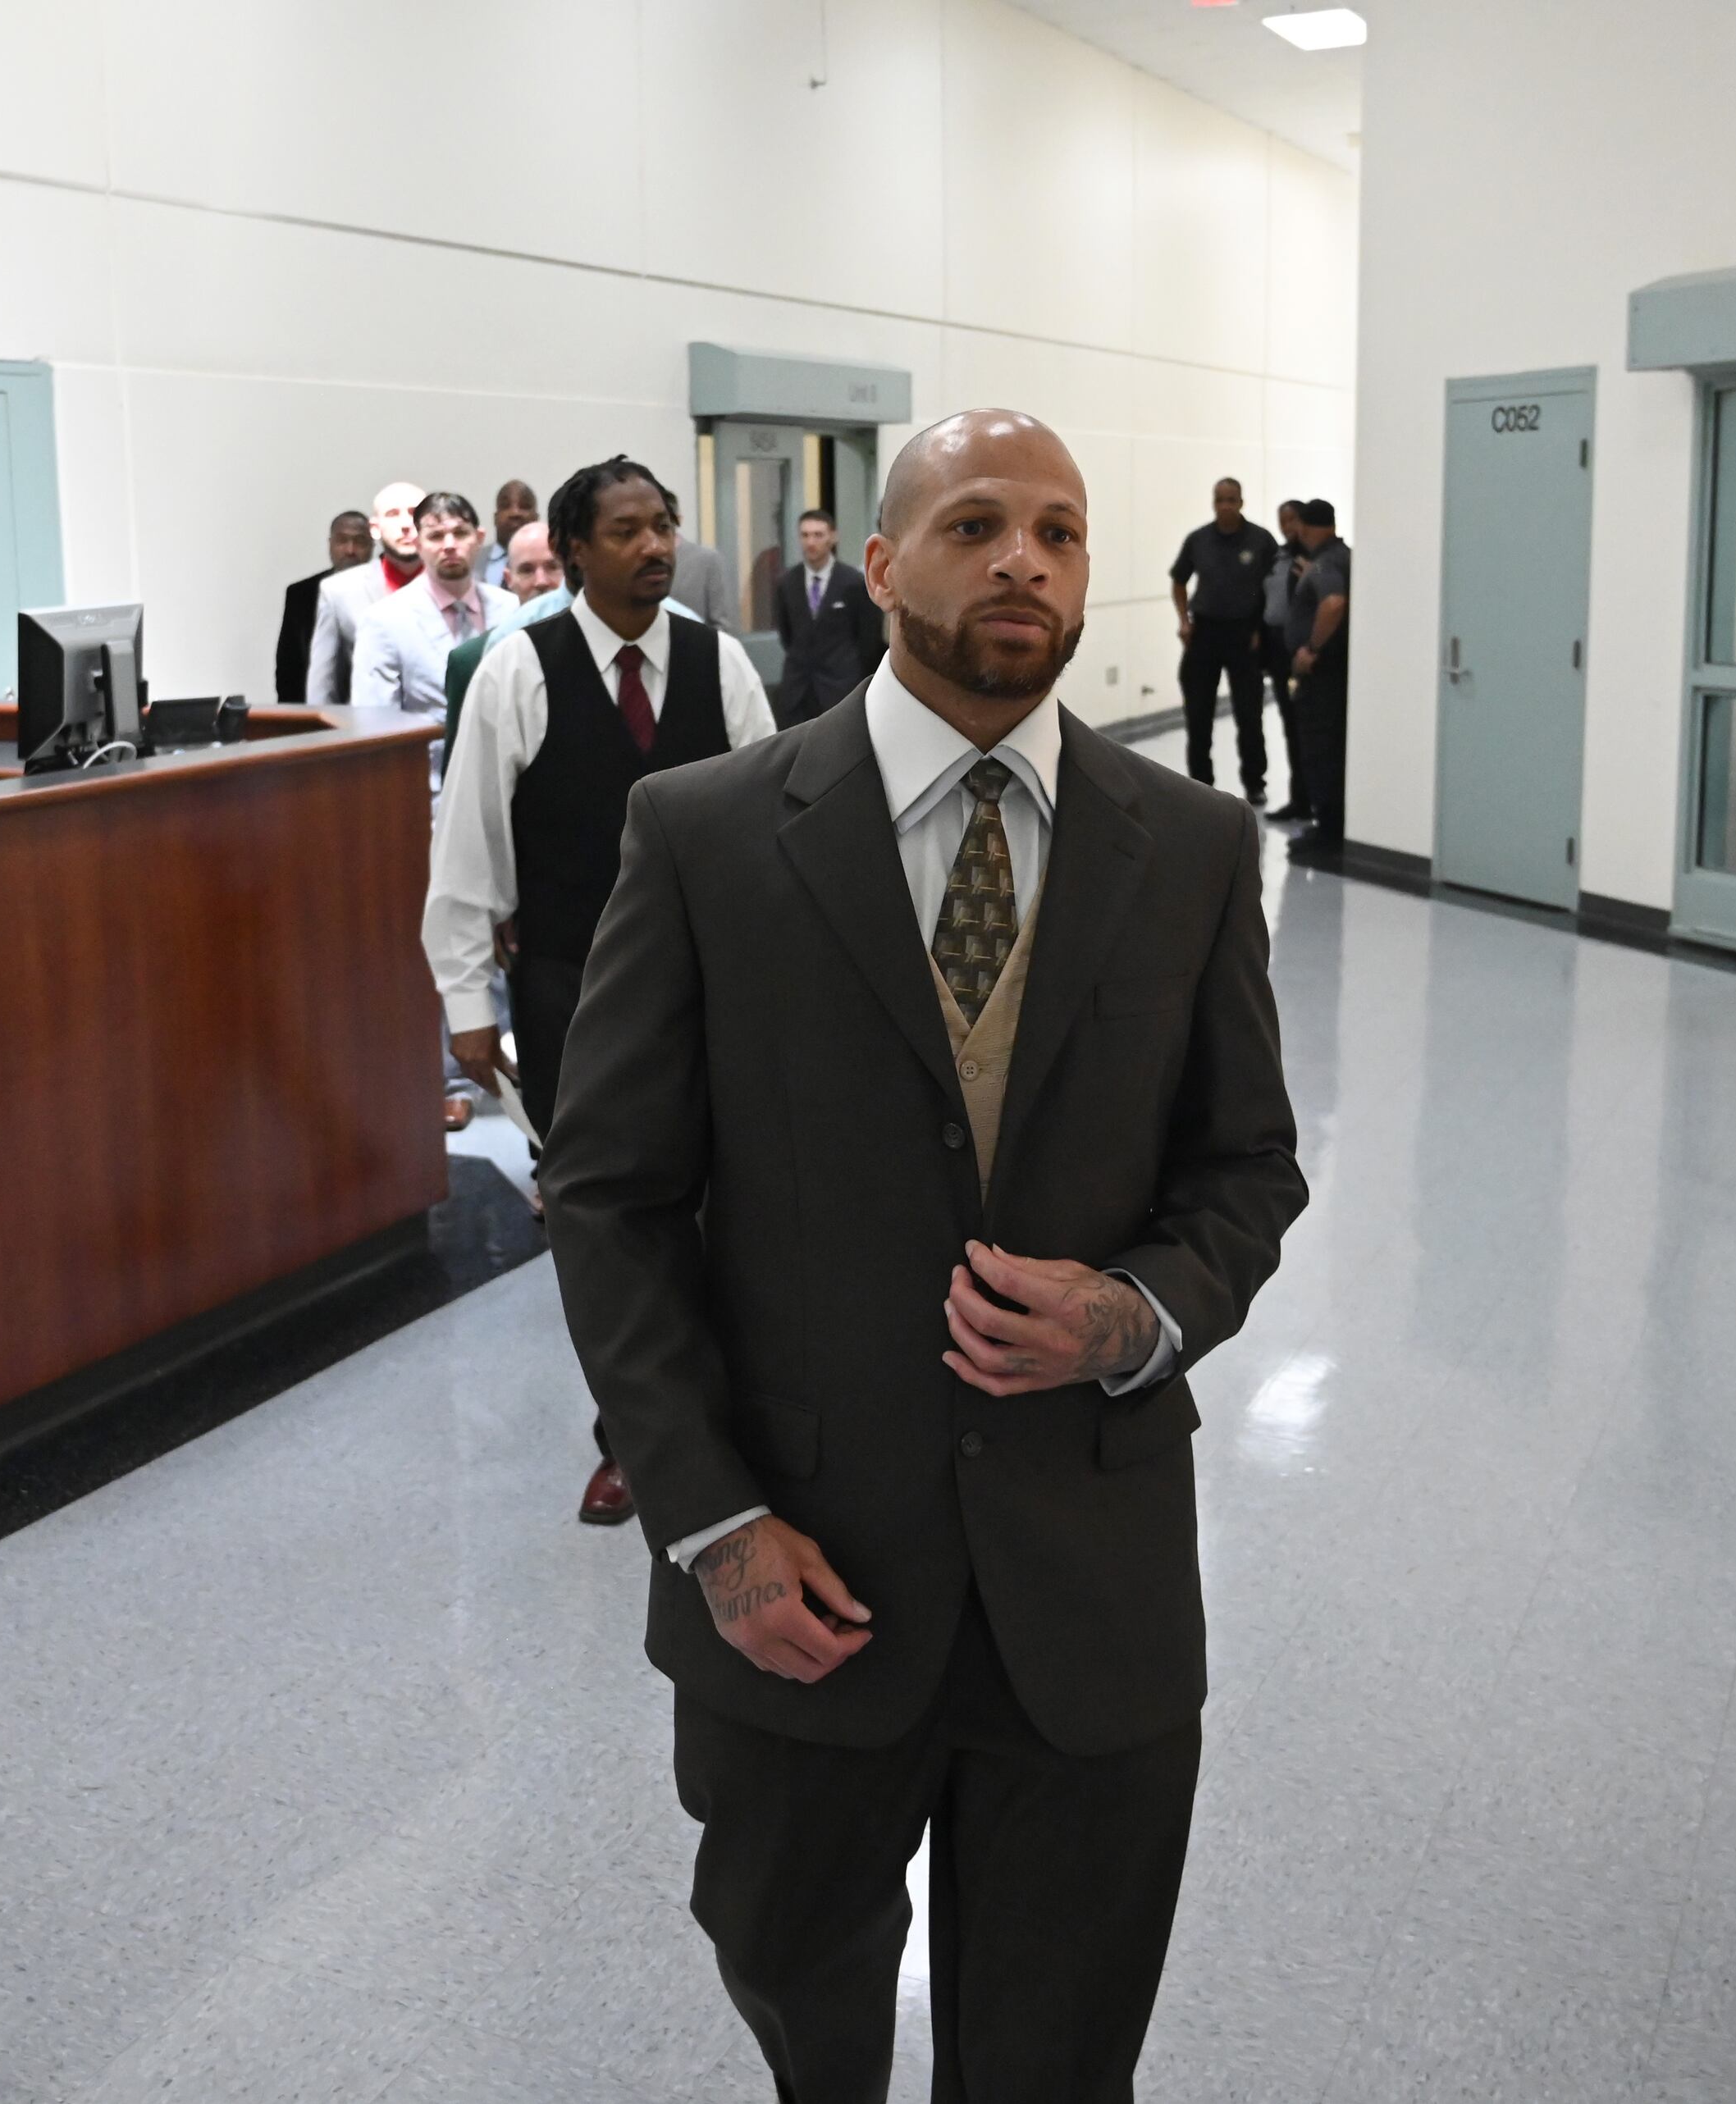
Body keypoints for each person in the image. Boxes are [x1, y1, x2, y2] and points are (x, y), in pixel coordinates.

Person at [540, 408, 1305, 2100]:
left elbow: (1248, 1169)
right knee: (805, 2002)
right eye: (973, 524)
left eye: (1060, 528)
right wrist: (713, 1523)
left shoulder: (1185, 848)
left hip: (1086, 1581)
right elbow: (607, 1196)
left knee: (1055, 2054)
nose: (1023, 557)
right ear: (882, 565)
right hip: (803, 1579)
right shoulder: (711, 832)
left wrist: (1140, 1310)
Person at [421, 456, 774, 1528]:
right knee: (610, 1227)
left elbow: (774, 839)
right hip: (574, 988)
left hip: (715, 990)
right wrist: (469, 1007)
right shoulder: (518, 670)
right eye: (627, 530)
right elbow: (468, 848)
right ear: (573, 549)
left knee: (729, 1212)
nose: (655, 545)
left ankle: (736, 1421)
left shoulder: (725, 668)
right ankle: (634, 1437)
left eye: (663, 525)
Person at [352, 491, 519, 751]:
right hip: (427, 780)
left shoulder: (511, 608)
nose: (449, 545)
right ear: (418, 545)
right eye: (436, 536)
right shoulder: (384, 620)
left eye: (461, 533)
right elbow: (374, 729)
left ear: (480, 539)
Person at [1167, 477, 1279, 803]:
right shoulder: (1199, 540)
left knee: (1249, 713)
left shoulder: (1260, 540)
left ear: (1242, 502)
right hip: (1205, 633)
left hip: (1246, 635)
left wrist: (1264, 629)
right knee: (1198, 712)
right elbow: (1179, 579)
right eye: (1220, 500)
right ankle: (1200, 784)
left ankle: (1255, 782)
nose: (1226, 505)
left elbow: (1274, 586)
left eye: (1232, 499)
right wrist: (1183, 620)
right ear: (1213, 503)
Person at [304, 482, 426, 708]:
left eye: (414, 513)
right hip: (370, 731)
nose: (406, 524)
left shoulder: (455, 586)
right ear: (375, 528)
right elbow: (322, 688)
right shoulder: (339, 591)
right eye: (392, 514)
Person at [441, 518, 565, 722]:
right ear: (509, 580)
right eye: (527, 570)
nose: (541, 581)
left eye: (553, 567)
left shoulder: (600, 639)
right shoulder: (470, 660)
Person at [770, 506, 883, 725]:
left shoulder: (854, 582)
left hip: (840, 688)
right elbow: (787, 635)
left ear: (833, 537)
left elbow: (868, 640)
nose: (811, 542)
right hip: (798, 691)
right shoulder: (787, 583)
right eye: (805, 535)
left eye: (818, 535)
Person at [1283, 497, 1350, 845]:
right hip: (1337, 676)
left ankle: (1327, 831)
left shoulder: (1326, 563)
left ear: (1305, 527)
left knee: (1320, 748)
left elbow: (1333, 602)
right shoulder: (1340, 556)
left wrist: (1311, 649)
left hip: (1322, 677)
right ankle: (1331, 824)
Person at [276, 509, 369, 706]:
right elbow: (288, 664)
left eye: (360, 542)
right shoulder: (301, 593)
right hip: (312, 711)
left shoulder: (386, 591)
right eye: (342, 540)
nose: (350, 550)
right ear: (330, 544)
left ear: (372, 545)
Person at [1260, 499, 1312, 819]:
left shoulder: (1313, 559)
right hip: (1278, 648)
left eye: (1293, 520)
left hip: (1304, 650)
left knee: (1306, 728)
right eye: (1283, 520)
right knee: (1291, 728)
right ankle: (1299, 799)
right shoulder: (1277, 557)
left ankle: (1314, 802)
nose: (1287, 527)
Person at [481, 477, 537, 589]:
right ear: (495, 518)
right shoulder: (473, 560)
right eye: (506, 506)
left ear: (536, 518)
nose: (515, 513)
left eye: (525, 506)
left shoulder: (555, 561)